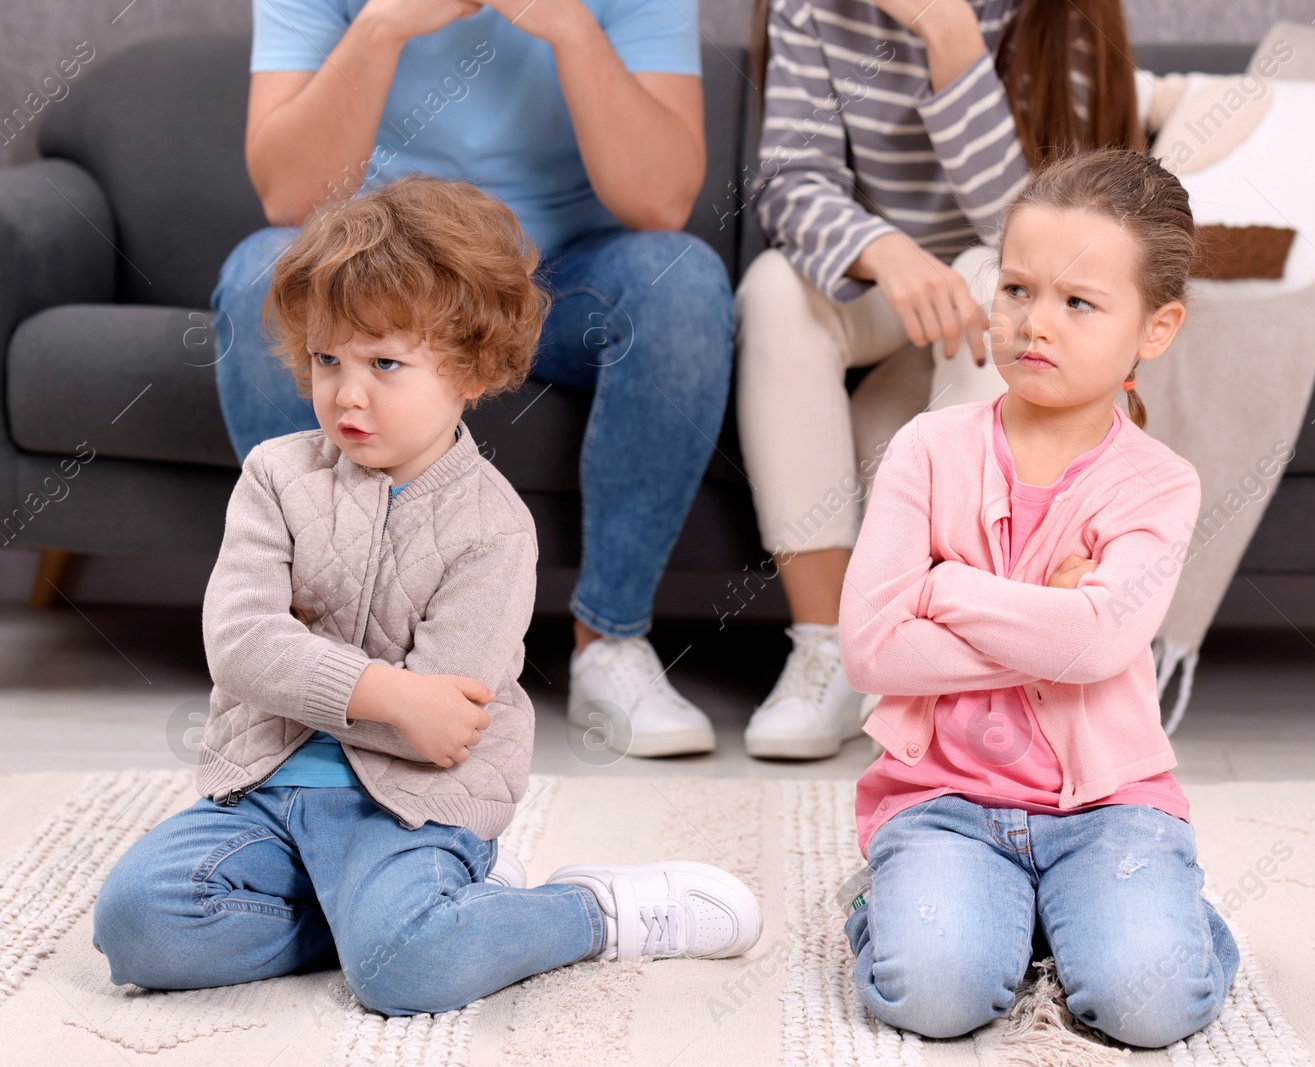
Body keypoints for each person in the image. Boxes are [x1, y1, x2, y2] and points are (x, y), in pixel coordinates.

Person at [93, 178, 762, 1016]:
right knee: (136, 924)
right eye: (327, 359)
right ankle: (415, 919)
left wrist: (343, 683)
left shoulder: (495, 527)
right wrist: (388, 692)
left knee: (404, 976)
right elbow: (240, 643)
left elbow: (447, 725)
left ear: (471, 368)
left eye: (384, 364)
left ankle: (591, 913)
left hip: (407, 807)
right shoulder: (275, 475)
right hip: (263, 788)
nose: (347, 393)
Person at [211, 0, 733, 758]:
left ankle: (611, 644)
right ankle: (318, 653)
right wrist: (384, 22)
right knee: (262, 269)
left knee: (681, 283)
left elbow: (660, 201)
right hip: (382, 291)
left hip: (565, 284)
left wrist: (570, 24)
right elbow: (291, 200)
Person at [836, 148, 1237, 1045]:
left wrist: (944, 587)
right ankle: (921, 903)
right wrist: (1047, 612)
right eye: (1016, 290)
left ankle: (1129, 912)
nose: (1033, 325)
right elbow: (867, 647)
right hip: (944, 801)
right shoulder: (926, 449)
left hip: (1111, 808)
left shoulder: (1159, 485)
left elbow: (1097, 645)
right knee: (934, 994)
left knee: (1147, 1003)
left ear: (1155, 327)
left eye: (1078, 302)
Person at [735, 0, 1152, 758]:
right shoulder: (812, 10)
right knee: (772, 287)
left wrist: (950, 36)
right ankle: (825, 648)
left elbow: (1045, 234)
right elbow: (792, 184)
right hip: (878, 288)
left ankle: (955, 654)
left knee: (993, 272)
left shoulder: (1064, 16)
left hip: (999, 289)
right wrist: (884, 249)